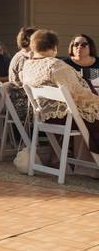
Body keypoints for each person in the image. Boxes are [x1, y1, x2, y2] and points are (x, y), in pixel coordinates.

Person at [22, 29, 99, 165]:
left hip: (44, 116)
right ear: (54, 47)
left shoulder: (28, 66)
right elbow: (77, 93)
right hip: (64, 117)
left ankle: (88, 166)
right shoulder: (56, 66)